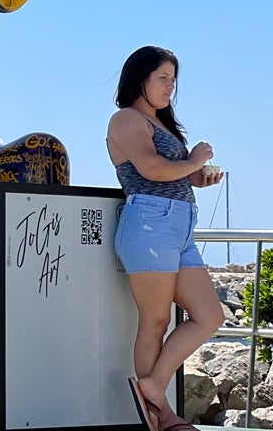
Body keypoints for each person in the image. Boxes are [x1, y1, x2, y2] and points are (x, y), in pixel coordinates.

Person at [106, 46, 225, 431]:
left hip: (178, 226)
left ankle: (152, 387)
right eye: (163, 78)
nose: (170, 87)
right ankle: (161, 416)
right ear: (139, 78)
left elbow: (174, 173)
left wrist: (197, 177)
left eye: (173, 80)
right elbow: (153, 169)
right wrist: (194, 160)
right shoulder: (126, 119)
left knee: (210, 315)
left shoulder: (160, 124)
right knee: (155, 321)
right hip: (150, 224)